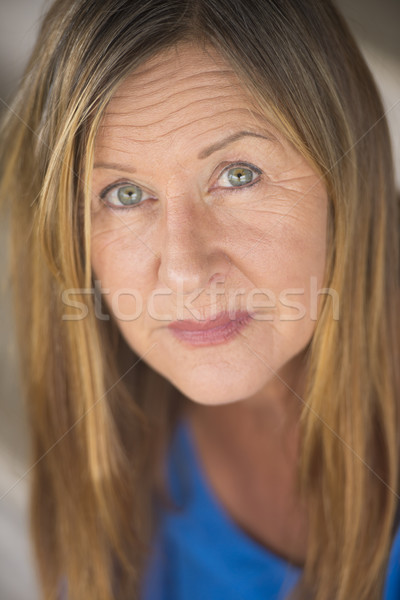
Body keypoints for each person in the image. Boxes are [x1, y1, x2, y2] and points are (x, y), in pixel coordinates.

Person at [1, 0, 399, 598]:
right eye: (125, 193)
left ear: (347, 175)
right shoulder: (120, 485)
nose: (184, 272)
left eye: (238, 174)